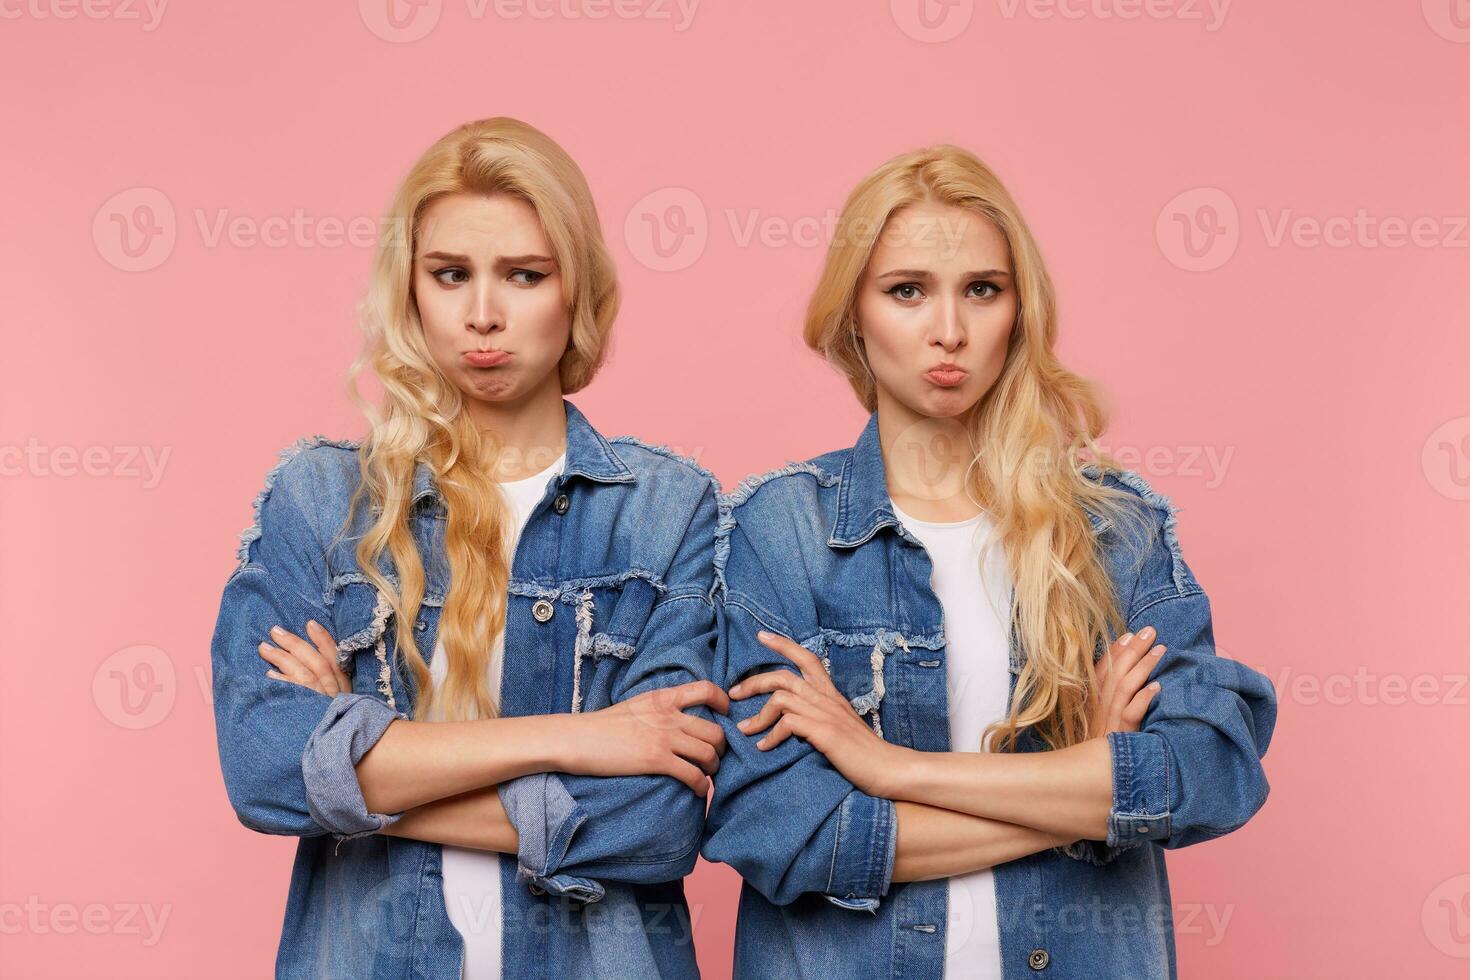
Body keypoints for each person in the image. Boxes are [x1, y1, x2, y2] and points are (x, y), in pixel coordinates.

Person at [702, 144, 1278, 979]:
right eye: (908, 291)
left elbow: (1212, 769)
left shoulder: (1116, 531)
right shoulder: (780, 531)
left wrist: (887, 768)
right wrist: (1086, 789)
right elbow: (784, 829)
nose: (950, 330)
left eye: (983, 289)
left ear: (1020, 308)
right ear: (854, 314)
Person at [210, 116, 725, 980]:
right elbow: (264, 770)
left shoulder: (668, 511)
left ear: (578, 292)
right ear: (410, 292)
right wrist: (576, 737)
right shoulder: (323, 500)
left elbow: (657, 823)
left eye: (524, 275)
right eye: (451, 275)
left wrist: (356, 779)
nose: (483, 315)